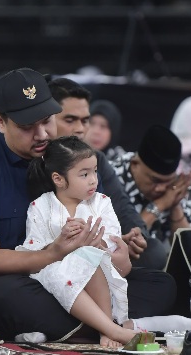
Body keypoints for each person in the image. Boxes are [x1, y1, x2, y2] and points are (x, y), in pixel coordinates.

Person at [0, 68, 173, 343]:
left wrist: (119, 259)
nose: (42, 134)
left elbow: (106, 237)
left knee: (160, 284)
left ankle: (83, 327)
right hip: (8, 281)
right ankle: (113, 325)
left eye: (47, 120)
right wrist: (52, 254)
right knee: (0, 295)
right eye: (27, 126)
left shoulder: (66, 158)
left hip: (76, 276)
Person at [19, 136, 191, 348]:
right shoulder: (40, 206)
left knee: (93, 259)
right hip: (54, 273)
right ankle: (116, 328)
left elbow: (112, 244)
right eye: (84, 174)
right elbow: (33, 250)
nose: (93, 179)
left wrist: (95, 244)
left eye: (95, 171)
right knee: (53, 276)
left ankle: (100, 329)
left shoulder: (102, 202)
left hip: (99, 272)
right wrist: (60, 244)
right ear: (59, 179)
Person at [47, 77, 164, 271]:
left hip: (100, 251)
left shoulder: (97, 160)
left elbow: (123, 207)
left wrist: (136, 235)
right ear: (47, 120)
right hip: (55, 256)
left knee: (154, 252)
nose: (80, 129)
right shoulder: (38, 162)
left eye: (85, 121)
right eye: (70, 120)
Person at [107, 125, 191, 252]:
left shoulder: (173, 187)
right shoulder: (111, 177)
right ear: (135, 164)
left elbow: (188, 252)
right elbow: (124, 243)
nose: (161, 189)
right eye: (155, 180)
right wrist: (159, 205)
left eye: (167, 181)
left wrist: (175, 205)